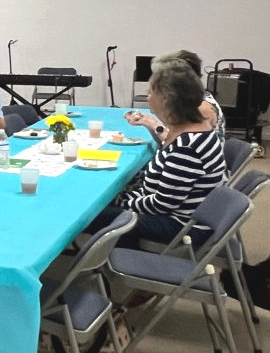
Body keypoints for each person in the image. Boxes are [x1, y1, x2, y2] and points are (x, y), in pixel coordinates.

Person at [89, 59, 227, 248]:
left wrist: (120, 202)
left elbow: (161, 205)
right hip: (177, 214)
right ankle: (123, 247)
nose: (147, 97)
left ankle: (122, 256)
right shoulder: (195, 128)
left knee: (91, 212)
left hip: (180, 226)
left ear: (166, 99)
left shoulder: (186, 148)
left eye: (151, 92)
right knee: (106, 199)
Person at [127, 49, 227, 142]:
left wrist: (153, 123)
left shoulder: (201, 108)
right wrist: (147, 122)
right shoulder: (190, 101)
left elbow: (180, 145)